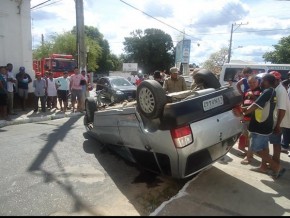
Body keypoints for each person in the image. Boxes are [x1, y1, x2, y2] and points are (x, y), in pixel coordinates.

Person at [242, 74, 285, 179]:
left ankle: (276, 166)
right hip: (265, 125)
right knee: (264, 147)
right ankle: (263, 167)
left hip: (261, 125)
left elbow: (256, 105)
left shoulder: (267, 92)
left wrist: (243, 112)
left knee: (257, 149)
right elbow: (260, 105)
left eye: (262, 81)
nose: (260, 82)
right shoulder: (272, 92)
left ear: (266, 81)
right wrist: (245, 108)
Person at [268, 71, 290, 162]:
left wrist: (277, 125)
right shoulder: (276, 88)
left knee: (276, 143)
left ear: (278, 80)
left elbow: (282, 109)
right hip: (279, 120)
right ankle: (275, 160)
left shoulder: (280, 90)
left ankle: (275, 162)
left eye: (274, 80)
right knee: (275, 142)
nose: (272, 81)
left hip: (280, 121)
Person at [239, 76, 262, 165]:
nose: (252, 84)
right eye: (250, 83)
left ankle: (249, 156)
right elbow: (243, 101)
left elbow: (260, 104)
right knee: (246, 135)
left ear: (258, 82)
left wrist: (253, 97)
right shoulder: (247, 91)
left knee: (251, 137)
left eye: (254, 83)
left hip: (254, 118)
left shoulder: (261, 91)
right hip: (245, 117)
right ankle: (250, 152)